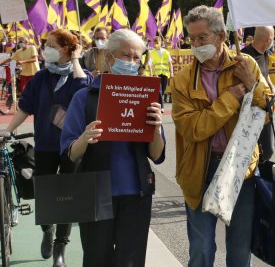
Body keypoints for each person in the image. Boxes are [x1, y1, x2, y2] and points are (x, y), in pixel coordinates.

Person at [170, 6, 270, 267]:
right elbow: (194, 129)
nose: (196, 44)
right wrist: (232, 97)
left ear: (221, 36)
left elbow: (267, 113)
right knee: (201, 250)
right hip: (199, 171)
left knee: (239, 250)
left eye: (202, 37)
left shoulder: (245, 65)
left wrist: (253, 86)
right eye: (192, 38)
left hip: (240, 168)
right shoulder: (181, 80)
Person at [60, 29, 165, 267]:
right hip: (95, 194)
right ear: (109, 57)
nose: (131, 62)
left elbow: (157, 155)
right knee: (96, 259)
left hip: (137, 194)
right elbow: (71, 153)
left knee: (131, 261)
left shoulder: (148, 96)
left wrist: (156, 129)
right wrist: (85, 138)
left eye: (136, 57)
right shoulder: (83, 97)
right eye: (125, 55)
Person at [2, 29, 90, 266]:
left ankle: (61, 246)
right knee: (45, 193)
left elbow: (82, 87)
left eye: (52, 45)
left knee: (68, 195)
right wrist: (9, 129)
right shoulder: (41, 77)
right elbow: (25, 107)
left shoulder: (81, 75)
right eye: (46, 44)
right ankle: (47, 230)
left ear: (67, 49)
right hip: (45, 145)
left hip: (72, 146)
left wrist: (75, 60)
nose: (45, 49)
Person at [242, 26, 275, 96]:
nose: (274, 40)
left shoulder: (265, 52)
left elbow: (265, 73)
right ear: (268, 41)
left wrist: (271, 86)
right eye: (273, 38)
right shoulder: (245, 56)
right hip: (251, 102)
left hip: (263, 99)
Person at [148, 36, 174, 106]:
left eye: (157, 42)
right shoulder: (152, 52)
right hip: (156, 74)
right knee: (158, 90)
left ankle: (159, 103)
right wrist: (152, 73)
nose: (156, 44)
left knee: (163, 89)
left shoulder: (166, 52)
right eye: (155, 43)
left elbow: (170, 63)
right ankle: (160, 105)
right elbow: (150, 64)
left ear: (161, 42)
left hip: (165, 73)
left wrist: (171, 72)